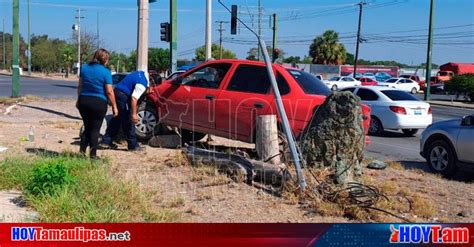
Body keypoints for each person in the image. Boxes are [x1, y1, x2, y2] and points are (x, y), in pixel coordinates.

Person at [76, 48, 118, 159]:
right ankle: (93, 156)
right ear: (104, 59)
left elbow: (80, 86)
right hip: (98, 103)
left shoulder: (84, 68)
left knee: (87, 127)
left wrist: (78, 99)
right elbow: (109, 91)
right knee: (95, 130)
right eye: (107, 59)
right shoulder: (106, 72)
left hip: (84, 101)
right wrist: (114, 106)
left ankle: (81, 153)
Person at [101, 70, 149, 151]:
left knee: (117, 118)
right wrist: (133, 114)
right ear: (151, 82)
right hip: (123, 96)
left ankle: (106, 141)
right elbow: (134, 98)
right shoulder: (142, 84)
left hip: (117, 92)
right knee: (128, 120)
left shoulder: (141, 73)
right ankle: (133, 146)